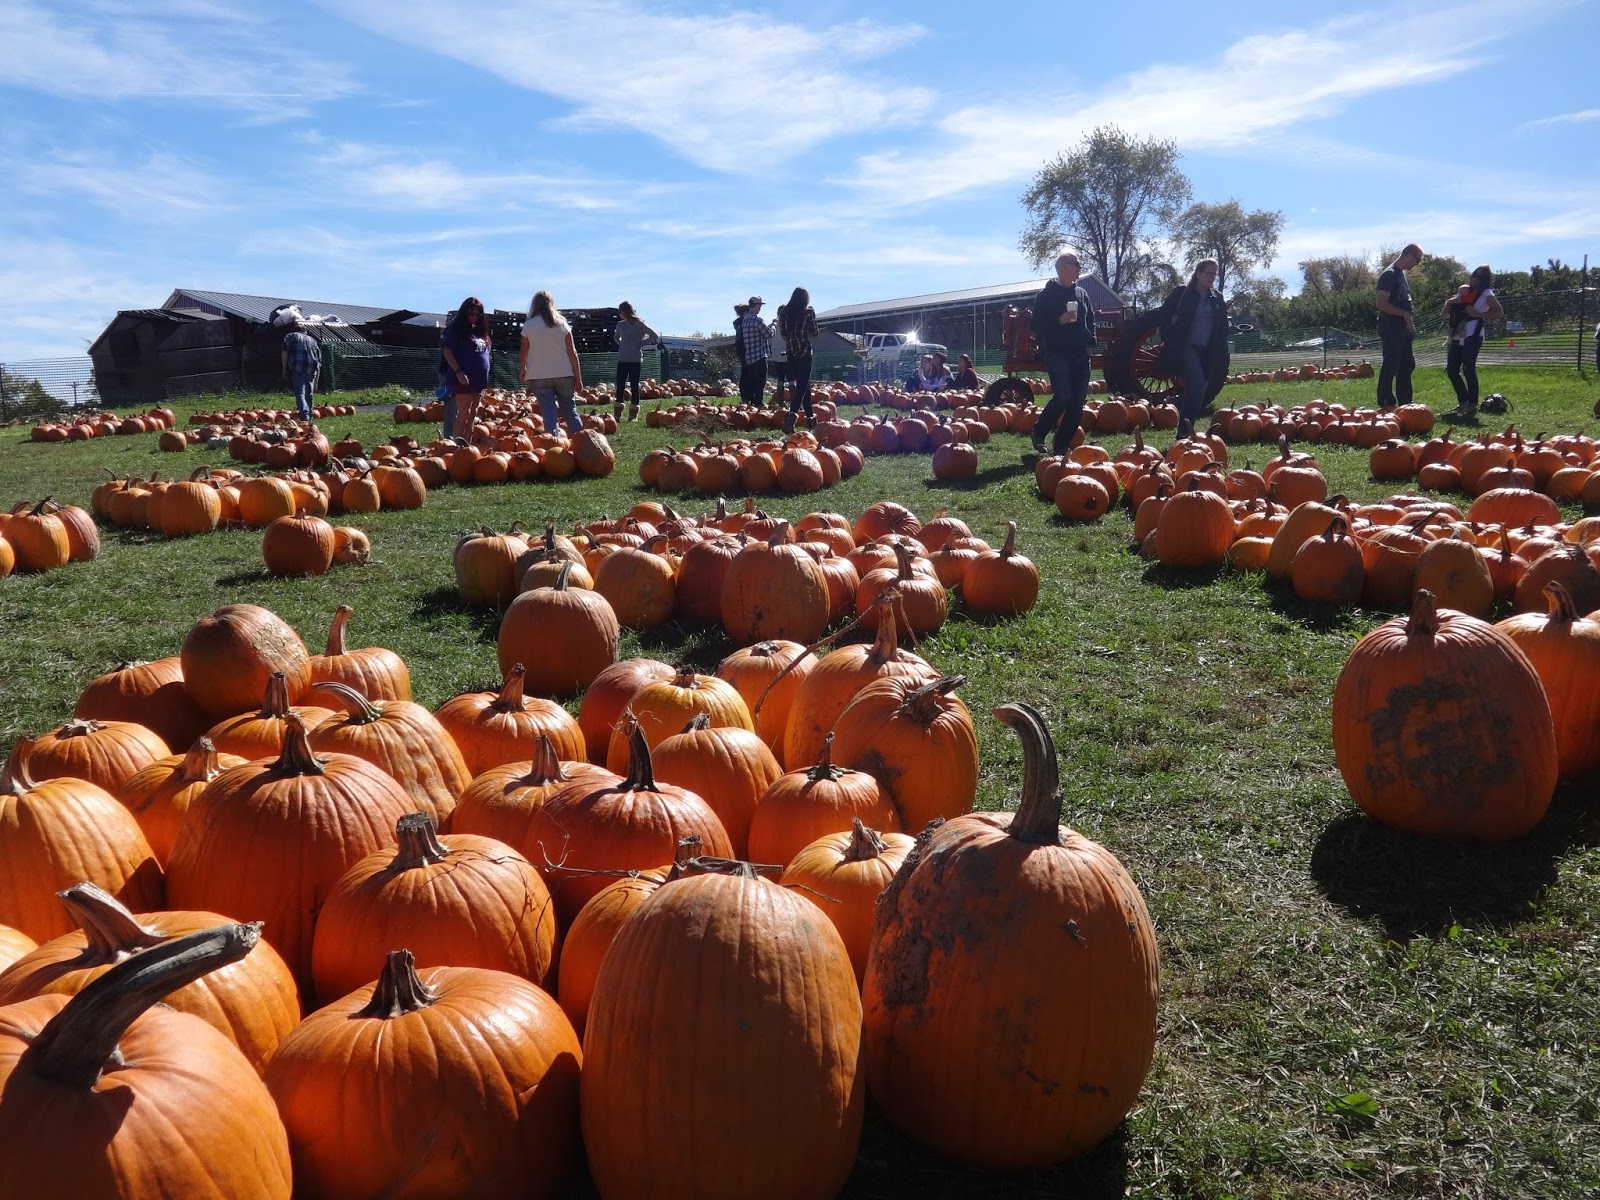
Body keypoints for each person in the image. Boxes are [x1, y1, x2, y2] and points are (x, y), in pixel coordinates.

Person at [1029, 252, 1098, 454]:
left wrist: (1091, 341)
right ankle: (1039, 431)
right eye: (1075, 264)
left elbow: (1090, 320)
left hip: (1081, 353)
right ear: (1062, 267)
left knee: (1077, 404)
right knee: (1063, 397)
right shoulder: (1046, 295)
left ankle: (1060, 446)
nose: (1079, 267)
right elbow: (1035, 326)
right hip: (1058, 354)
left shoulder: (1082, 294)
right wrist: (1059, 320)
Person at [1154, 259, 1230, 431]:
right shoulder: (1183, 293)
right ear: (1198, 273)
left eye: (1213, 274)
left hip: (1208, 350)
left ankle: (1185, 429)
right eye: (1207, 273)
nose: (1210, 277)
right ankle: (1184, 433)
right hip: (1187, 347)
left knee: (1197, 390)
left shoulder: (1217, 298)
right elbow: (1164, 314)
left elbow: (1222, 325)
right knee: (1197, 386)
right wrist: (1168, 335)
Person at [1443, 265, 1504, 420]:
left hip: (1473, 335)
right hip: (1457, 334)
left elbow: (1499, 313)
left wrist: (1477, 314)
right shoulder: (1465, 292)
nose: (1474, 279)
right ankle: (1463, 401)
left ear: (1484, 279)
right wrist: (1449, 304)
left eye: (1478, 276)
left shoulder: (1486, 293)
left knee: (1468, 369)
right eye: (1473, 276)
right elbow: (1446, 315)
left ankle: (1472, 405)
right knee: (1451, 369)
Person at [520, 291, 584, 436]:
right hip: (564, 373)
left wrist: (522, 369)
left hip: (538, 375)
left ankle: (554, 445)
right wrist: (578, 378)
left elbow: (523, 351)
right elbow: (572, 353)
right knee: (570, 410)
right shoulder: (562, 325)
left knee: (549, 413)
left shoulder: (529, 326)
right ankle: (583, 443)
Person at [1375, 243, 1423, 410]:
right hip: (1391, 325)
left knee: (1407, 364)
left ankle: (1405, 403)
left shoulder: (1401, 274)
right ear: (1409, 256)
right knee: (1391, 363)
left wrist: (1408, 319)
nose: (1416, 265)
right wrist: (1404, 314)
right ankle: (1386, 401)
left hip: (1403, 326)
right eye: (1417, 261)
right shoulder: (1389, 274)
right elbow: (1381, 303)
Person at [439, 297, 491, 440]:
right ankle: (457, 444)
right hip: (463, 378)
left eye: (477, 314)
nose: (474, 317)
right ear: (464, 313)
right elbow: (447, 351)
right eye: (471, 314)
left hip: (479, 379)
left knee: (473, 413)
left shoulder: (481, 332)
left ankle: (467, 445)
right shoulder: (455, 330)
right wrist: (458, 371)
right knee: (464, 413)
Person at [778, 287, 820, 433]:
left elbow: (784, 336)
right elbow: (815, 334)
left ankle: (811, 421)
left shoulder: (784, 313)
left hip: (791, 353)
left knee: (805, 386)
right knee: (802, 387)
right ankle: (790, 418)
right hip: (805, 353)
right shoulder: (809, 312)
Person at [613, 301, 659, 422]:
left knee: (634, 386)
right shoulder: (620, 325)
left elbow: (654, 335)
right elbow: (616, 337)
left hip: (635, 359)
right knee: (620, 385)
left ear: (625, 311)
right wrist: (621, 344)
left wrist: (641, 343)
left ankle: (633, 415)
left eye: (620, 311)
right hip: (622, 359)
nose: (619, 314)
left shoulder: (638, 324)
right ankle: (617, 414)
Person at [280, 327, 321, 422]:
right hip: (311, 368)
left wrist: (284, 368)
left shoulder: (291, 336)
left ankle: (304, 417)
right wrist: (316, 382)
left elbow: (284, 351)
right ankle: (310, 415)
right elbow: (319, 361)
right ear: (305, 332)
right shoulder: (313, 340)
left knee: (300, 393)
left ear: (295, 330)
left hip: (297, 366)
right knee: (309, 393)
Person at [737, 296, 770, 409]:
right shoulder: (757, 320)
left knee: (752, 382)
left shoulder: (745, 320)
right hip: (760, 356)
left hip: (749, 358)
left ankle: (751, 404)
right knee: (760, 383)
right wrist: (774, 325)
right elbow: (769, 334)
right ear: (756, 305)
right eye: (760, 306)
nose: (760, 308)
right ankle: (759, 403)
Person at [768, 306, 790, 408]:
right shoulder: (787, 324)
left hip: (776, 355)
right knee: (791, 379)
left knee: (780, 379)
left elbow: (769, 340)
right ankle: (794, 402)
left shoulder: (772, 325)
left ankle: (780, 402)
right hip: (787, 354)